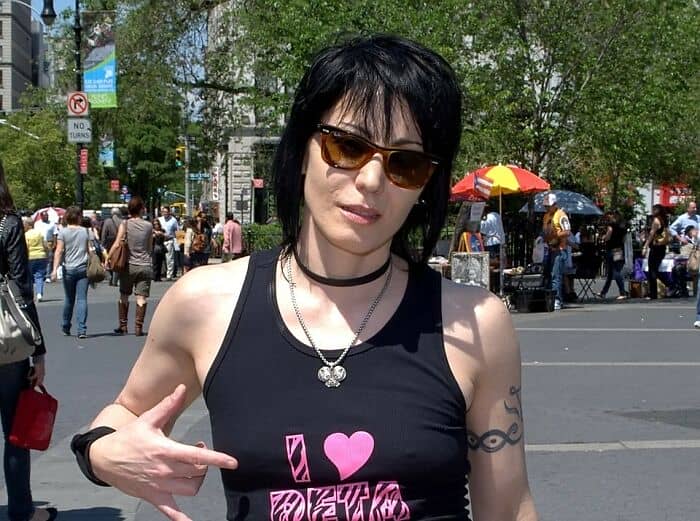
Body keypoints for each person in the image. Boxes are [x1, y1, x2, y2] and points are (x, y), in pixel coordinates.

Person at [71, 35, 538, 521]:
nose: (372, 180)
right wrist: (100, 452)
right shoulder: (205, 304)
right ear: (301, 150)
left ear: (426, 184)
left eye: (406, 163)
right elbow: (126, 412)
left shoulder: (476, 322)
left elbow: (509, 508)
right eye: (348, 146)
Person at [0, 160, 58, 521]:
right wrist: (38, 352)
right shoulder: (7, 224)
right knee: (14, 429)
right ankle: (22, 510)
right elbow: (21, 289)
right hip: (6, 341)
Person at [106, 196, 153, 337]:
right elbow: (149, 247)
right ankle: (138, 327)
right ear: (141, 209)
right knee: (141, 297)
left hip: (129, 265)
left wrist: (108, 257)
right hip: (145, 265)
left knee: (124, 295)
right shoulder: (148, 226)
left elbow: (117, 243)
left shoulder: (125, 224)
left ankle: (123, 325)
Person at [51, 206, 91, 338]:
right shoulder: (85, 231)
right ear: (79, 217)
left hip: (68, 268)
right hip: (83, 268)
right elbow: (88, 250)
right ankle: (82, 329)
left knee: (69, 299)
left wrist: (54, 270)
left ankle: (66, 325)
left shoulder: (63, 232)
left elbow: (59, 251)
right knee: (82, 299)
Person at [542, 192, 571, 310]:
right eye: (545, 206)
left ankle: (557, 300)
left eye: (548, 206)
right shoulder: (546, 216)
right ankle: (550, 298)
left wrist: (555, 235)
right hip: (549, 248)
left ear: (555, 204)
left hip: (559, 249)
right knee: (548, 275)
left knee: (556, 275)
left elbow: (567, 231)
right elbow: (545, 231)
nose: (547, 208)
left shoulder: (561, 215)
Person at [595, 211, 628, 300]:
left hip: (611, 249)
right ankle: (603, 292)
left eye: (609, 216)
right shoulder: (623, 227)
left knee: (615, 271)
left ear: (613, 216)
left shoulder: (611, 225)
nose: (608, 218)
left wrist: (603, 237)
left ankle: (622, 292)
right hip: (619, 249)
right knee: (611, 273)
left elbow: (608, 236)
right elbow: (624, 239)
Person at [642, 204, 670, 300]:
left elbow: (651, 234)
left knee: (652, 270)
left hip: (656, 247)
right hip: (662, 247)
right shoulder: (664, 220)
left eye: (654, 210)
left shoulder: (656, 221)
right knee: (655, 269)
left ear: (657, 210)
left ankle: (653, 293)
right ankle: (667, 285)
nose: (652, 211)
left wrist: (645, 246)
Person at [23, 216, 49, 301]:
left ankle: (31, 294)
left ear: (29, 225)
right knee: (39, 276)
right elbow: (45, 245)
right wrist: (46, 254)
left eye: (25, 224)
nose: (24, 226)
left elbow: (26, 247)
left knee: (29, 277)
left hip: (30, 257)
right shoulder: (39, 233)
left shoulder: (26, 235)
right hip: (41, 256)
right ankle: (39, 293)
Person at [100, 207, 123, 286]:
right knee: (117, 260)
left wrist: (102, 244)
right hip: (119, 243)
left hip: (109, 244)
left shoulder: (107, 221)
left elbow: (104, 234)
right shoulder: (122, 221)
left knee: (108, 259)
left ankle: (111, 277)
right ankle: (115, 279)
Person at [157, 207, 179, 280]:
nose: (165, 213)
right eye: (164, 212)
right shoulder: (159, 219)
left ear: (169, 212)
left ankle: (169, 275)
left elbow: (177, 231)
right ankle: (159, 274)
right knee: (159, 258)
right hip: (160, 241)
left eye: (166, 212)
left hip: (169, 240)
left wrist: (174, 238)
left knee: (169, 259)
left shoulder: (173, 220)